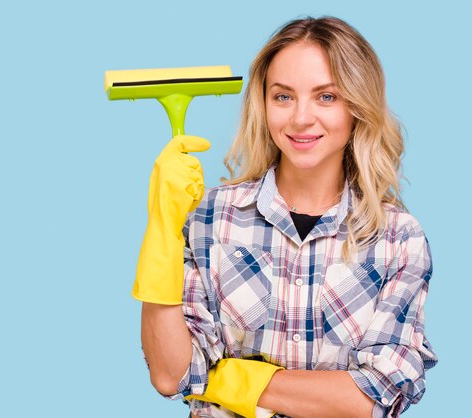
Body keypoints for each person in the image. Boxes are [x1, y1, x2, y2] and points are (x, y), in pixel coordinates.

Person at [133, 16, 437, 418]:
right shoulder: (213, 219)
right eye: (283, 96)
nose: (300, 118)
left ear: (357, 107)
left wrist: (233, 379)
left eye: (326, 97)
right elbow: (171, 375)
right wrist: (162, 231)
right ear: (263, 104)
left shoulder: (397, 238)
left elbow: (370, 399)